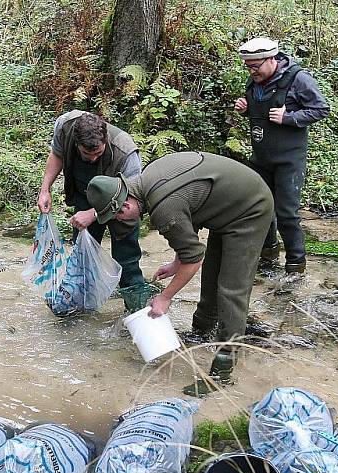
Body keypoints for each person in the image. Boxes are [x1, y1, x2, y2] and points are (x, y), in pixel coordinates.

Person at [86, 151, 273, 396]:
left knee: (231, 290)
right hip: (228, 206)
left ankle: (222, 370)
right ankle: (202, 331)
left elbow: (194, 259)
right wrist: (177, 262)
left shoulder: (163, 207)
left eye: (117, 217)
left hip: (250, 209)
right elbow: (190, 219)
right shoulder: (148, 181)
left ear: (126, 205)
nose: (120, 222)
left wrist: (165, 297)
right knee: (211, 278)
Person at [234, 37, 329, 274]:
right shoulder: (255, 80)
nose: (251, 71)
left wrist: (289, 118)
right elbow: (261, 111)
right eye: (248, 66)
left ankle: (296, 265)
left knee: (286, 213)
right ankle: (268, 253)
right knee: (260, 207)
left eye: (255, 66)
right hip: (261, 157)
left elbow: (321, 109)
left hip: (289, 160)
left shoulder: (298, 79)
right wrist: (246, 109)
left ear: (272, 59)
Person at [37, 111, 148, 310]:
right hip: (84, 197)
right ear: (77, 143)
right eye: (87, 154)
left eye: (98, 153)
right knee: (82, 258)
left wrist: (95, 214)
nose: (92, 158)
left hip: (122, 207)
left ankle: (137, 313)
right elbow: (57, 154)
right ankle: (77, 308)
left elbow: (133, 197)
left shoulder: (126, 151)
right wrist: (45, 189)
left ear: (105, 140)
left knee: (127, 263)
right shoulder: (65, 126)